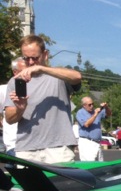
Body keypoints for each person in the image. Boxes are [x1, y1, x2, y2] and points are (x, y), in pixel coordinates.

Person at [3, 34, 82, 164]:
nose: (31, 62)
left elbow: (77, 77)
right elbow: (9, 119)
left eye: (35, 58)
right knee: (29, 185)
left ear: (45, 54)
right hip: (26, 149)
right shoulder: (16, 81)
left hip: (59, 148)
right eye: (26, 58)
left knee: (61, 184)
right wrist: (20, 109)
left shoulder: (58, 77)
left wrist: (42, 68)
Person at [0, 57, 26, 156]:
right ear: (15, 72)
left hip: (33, 145)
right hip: (13, 144)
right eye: (24, 70)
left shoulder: (37, 87)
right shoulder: (3, 90)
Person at [76, 96, 111, 161]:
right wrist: (95, 114)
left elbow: (109, 114)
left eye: (93, 104)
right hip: (87, 142)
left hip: (97, 142)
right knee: (89, 164)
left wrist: (106, 107)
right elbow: (86, 124)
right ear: (84, 105)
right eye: (89, 105)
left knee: (99, 164)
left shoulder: (96, 111)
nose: (92, 106)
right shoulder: (80, 112)